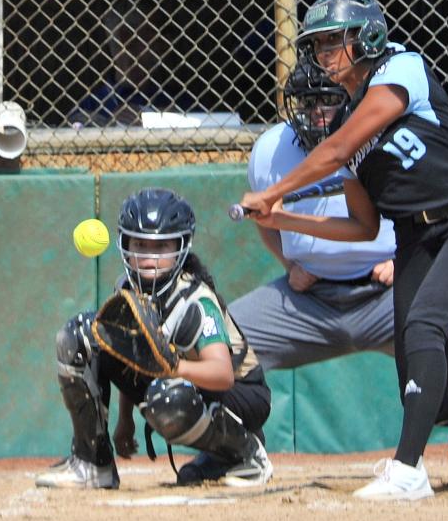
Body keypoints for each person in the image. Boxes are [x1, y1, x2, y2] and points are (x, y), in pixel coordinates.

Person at [238, 0, 448, 501]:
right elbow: (363, 228)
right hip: (417, 237)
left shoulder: (402, 68)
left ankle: (408, 470)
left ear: (367, 36)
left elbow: (339, 149)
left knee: (426, 324)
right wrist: (285, 216)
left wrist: (275, 190)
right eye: (318, 45)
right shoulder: (345, 119)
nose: (324, 54)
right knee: (416, 379)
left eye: (335, 41)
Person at [35, 188, 273, 489]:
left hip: (240, 394)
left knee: (168, 396)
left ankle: (244, 455)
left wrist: (175, 368)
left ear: (181, 247)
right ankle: (92, 462)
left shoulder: (195, 299)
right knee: (80, 335)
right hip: (179, 381)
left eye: (161, 247)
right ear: (124, 244)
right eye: (139, 245)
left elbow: (223, 374)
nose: (148, 256)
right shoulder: (127, 288)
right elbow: (131, 353)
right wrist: (125, 420)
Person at [70, 3, 194, 127]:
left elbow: (203, 121)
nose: (166, 40)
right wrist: (108, 125)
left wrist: (149, 117)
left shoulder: (177, 99)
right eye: (156, 31)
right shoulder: (91, 105)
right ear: (127, 36)